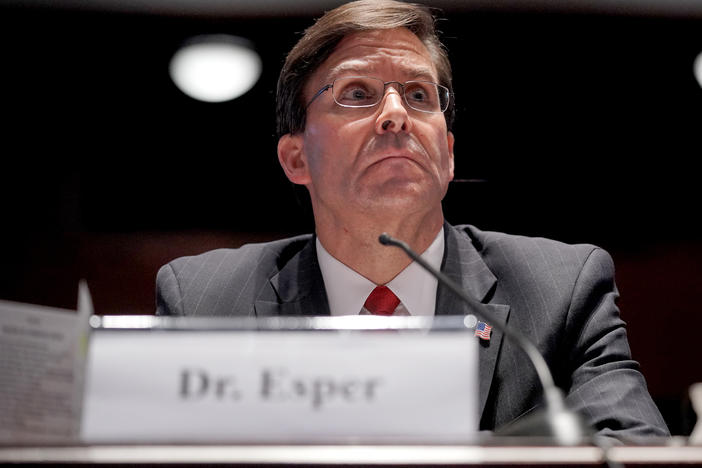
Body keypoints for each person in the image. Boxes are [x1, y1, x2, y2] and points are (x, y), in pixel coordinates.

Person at [156, 0, 669, 440]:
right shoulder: (204, 300)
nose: (396, 114)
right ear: (296, 160)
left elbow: (635, 453)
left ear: (447, 155)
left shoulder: (561, 290)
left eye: (419, 95)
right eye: (357, 94)